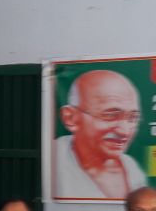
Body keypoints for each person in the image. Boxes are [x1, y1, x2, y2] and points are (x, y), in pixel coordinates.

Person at [55, 70, 147, 199]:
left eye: (132, 118)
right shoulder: (52, 160)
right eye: (111, 115)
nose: (124, 131)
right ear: (71, 118)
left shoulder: (132, 169)